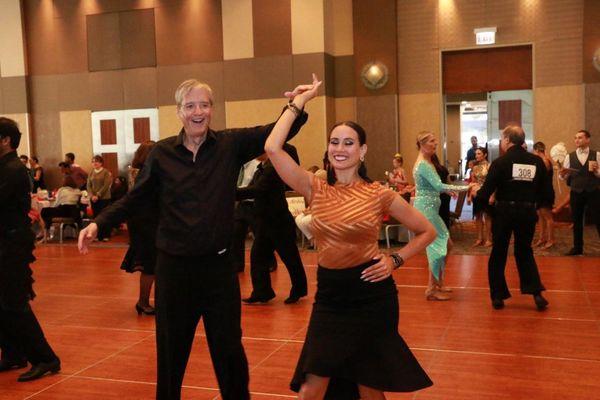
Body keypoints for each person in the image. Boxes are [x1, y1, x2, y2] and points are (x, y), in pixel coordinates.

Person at [78, 78, 309, 400]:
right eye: (190, 106)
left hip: (218, 271)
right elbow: (136, 198)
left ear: (211, 109)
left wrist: (297, 104)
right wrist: (98, 223)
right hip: (174, 271)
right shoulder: (161, 154)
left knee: (229, 351)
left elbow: (275, 132)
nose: (197, 112)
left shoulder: (230, 145)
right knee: (171, 354)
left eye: (203, 105)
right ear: (179, 112)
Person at [265, 74, 435, 399]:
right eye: (334, 142)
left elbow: (427, 230)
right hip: (330, 297)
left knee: (369, 387)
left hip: (371, 295)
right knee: (311, 389)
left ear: (363, 149)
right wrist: (299, 103)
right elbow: (272, 148)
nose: (340, 149)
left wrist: (396, 258)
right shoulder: (315, 187)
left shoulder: (378, 194)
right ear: (327, 148)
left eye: (348, 142)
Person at [0, 117, 61, 382]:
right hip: (5, 241)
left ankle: (46, 358)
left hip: (12, 244)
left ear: (5, 140)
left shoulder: (14, 169)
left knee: (14, 303)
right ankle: (13, 353)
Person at [476, 125, 551, 311]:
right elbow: (546, 192)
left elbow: (485, 192)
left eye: (502, 138)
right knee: (525, 251)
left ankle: (497, 296)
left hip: (504, 213)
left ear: (508, 140)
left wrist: (485, 209)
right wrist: (537, 207)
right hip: (527, 213)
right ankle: (536, 293)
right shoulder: (536, 162)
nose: (501, 142)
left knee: (498, 253)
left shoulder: (500, 163)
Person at [237, 146, 308, 305]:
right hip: (265, 223)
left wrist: (232, 193)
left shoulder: (273, 168)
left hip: (279, 223)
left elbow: (257, 190)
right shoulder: (262, 168)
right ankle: (262, 292)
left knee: (290, 257)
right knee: (258, 257)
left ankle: (298, 289)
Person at [413, 132, 470, 301]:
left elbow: (433, 187)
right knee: (437, 247)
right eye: (432, 141)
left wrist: (448, 190)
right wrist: (464, 188)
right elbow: (438, 185)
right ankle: (431, 288)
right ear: (422, 144)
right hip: (426, 210)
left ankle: (438, 282)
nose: (435, 143)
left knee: (447, 244)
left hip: (431, 208)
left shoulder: (427, 162)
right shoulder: (423, 164)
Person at [120, 141, 157, 316]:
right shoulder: (146, 174)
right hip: (148, 223)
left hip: (141, 222)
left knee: (152, 266)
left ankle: (144, 301)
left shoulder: (135, 173)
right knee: (151, 266)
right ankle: (143, 302)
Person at [230, 158, 278, 273]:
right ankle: (238, 264)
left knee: (259, 234)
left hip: (254, 204)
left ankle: (271, 261)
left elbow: (256, 188)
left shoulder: (257, 166)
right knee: (237, 232)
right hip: (242, 204)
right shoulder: (237, 167)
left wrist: (234, 193)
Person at [558, 130, 600, 255]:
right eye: (575, 138)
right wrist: (562, 174)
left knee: (599, 219)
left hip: (593, 190)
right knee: (576, 220)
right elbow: (563, 177)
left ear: (588, 139)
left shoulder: (597, 155)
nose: (577, 140)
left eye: (580, 137)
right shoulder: (569, 156)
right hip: (576, 192)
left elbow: (599, 175)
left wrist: (597, 171)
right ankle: (577, 248)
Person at [39, 176, 81, 240]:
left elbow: (57, 202)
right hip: (74, 213)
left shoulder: (62, 189)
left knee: (44, 211)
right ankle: (53, 234)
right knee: (49, 214)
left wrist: (53, 207)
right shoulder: (77, 190)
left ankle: (46, 234)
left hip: (63, 210)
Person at [532, 142, 556, 249]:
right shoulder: (540, 161)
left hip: (546, 191)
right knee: (540, 216)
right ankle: (542, 238)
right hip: (539, 191)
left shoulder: (545, 161)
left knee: (548, 217)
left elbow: (540, 177)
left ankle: (551, 239)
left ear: (536, 150)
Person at [468, 147, 492, 247]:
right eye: (476, 154)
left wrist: (492, 195)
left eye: (479, 154)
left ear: (485, 155)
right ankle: (479, 238)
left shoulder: (490, 166)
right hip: (476, 194)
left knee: (487, 217)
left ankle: (489, 239)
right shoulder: (474, 168)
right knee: (478, 216)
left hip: (486, 193)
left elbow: (492, 182)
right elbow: (473, 183)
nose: (476, 156)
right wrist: (469, 196)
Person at [87, 155, 112, 241]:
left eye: (96, 161)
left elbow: (106, 185)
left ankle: (106, 235)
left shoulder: (105, 172)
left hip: (104, 198)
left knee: (104, 216)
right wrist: (91, 195)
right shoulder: (91, 172)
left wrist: (98, 195)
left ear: (101, 163)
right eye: (93, 161)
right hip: (93, 199)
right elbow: (88, 185)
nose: (94, 163)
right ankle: (97, 235)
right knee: (96, 217)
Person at [431, 153, 451, 229]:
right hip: (445, 196)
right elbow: (449, 183)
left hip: (435, 196)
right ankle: (446, 233)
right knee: (445, 216)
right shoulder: (443, 168)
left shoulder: (431, 170)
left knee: (436, 217)